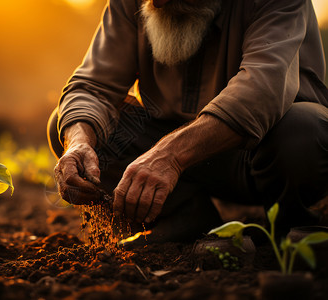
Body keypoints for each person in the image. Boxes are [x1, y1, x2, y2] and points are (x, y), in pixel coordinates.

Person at [48, 0, 328, 244]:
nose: (155, 2)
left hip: (261, 155)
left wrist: (169, 155)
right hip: (173, 166)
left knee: (304, 130)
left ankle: (290, 229)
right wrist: (79, 142)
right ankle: (184, 217)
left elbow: (262, 88)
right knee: (75, 122)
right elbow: (92, 87)